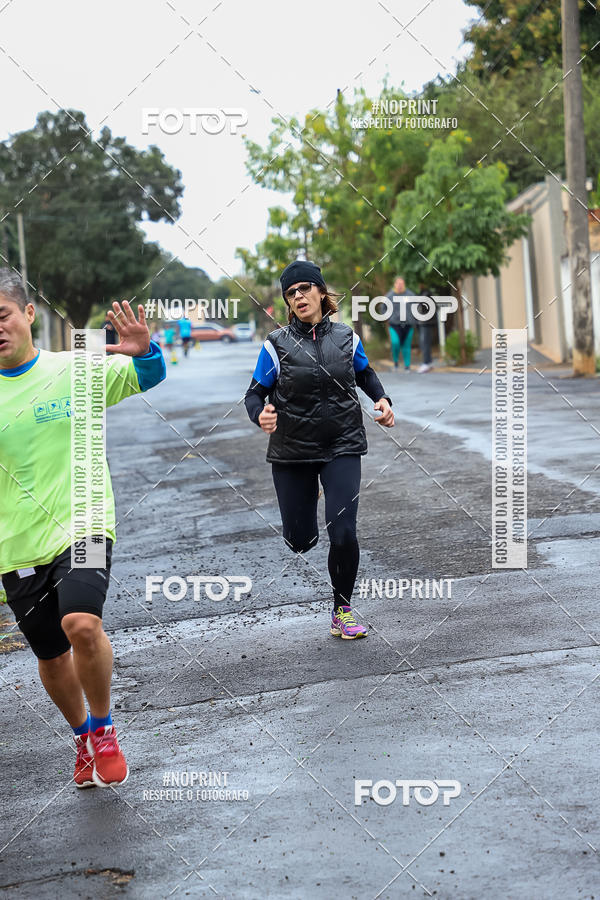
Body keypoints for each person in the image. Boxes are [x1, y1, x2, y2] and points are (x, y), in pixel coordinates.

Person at [0, 270, 166, 788]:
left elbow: (150, 375)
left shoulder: (72, 368)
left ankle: (104, 727)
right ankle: (81, 738)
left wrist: (145, 351)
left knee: (82, 625)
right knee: (50, 654)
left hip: (86, 521)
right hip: (16, 543)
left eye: (2, 315)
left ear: (28, 314)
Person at [244, 260, 394, 639]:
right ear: (287, 303)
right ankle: (302, 534)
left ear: (321, 292)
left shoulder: (347, 337)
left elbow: (365, 374)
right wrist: (261, 415)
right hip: (292, 450)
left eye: (305, 288)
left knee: (343, 532)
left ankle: (341, 610)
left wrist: (382, 399)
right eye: (291, 293)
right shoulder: (275, 346)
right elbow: (254, 394)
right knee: (300, 540)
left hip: (342, 443)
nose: (299, 296)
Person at [386, 276, 416, 370]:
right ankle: (395, 362)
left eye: (401, 284)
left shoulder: (410, 295)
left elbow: (417, 306)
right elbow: (383, 308)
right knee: (395, 343)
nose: (400, 286)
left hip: (408, 324)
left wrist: (413, 318)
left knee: (406, 345)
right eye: (398, 284)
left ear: (404, 284)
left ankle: (407, 366)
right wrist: (388, 317)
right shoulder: (390, 296)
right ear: (395, 284)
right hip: (394, 325)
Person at [417, 286, 436, 374]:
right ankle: (429, 362)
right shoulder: (425, 294)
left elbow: (424, 310)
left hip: (426, 323)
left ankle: (426, 363)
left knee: (424, 343)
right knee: (425, 343)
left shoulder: (425, 295)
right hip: (425, 323)